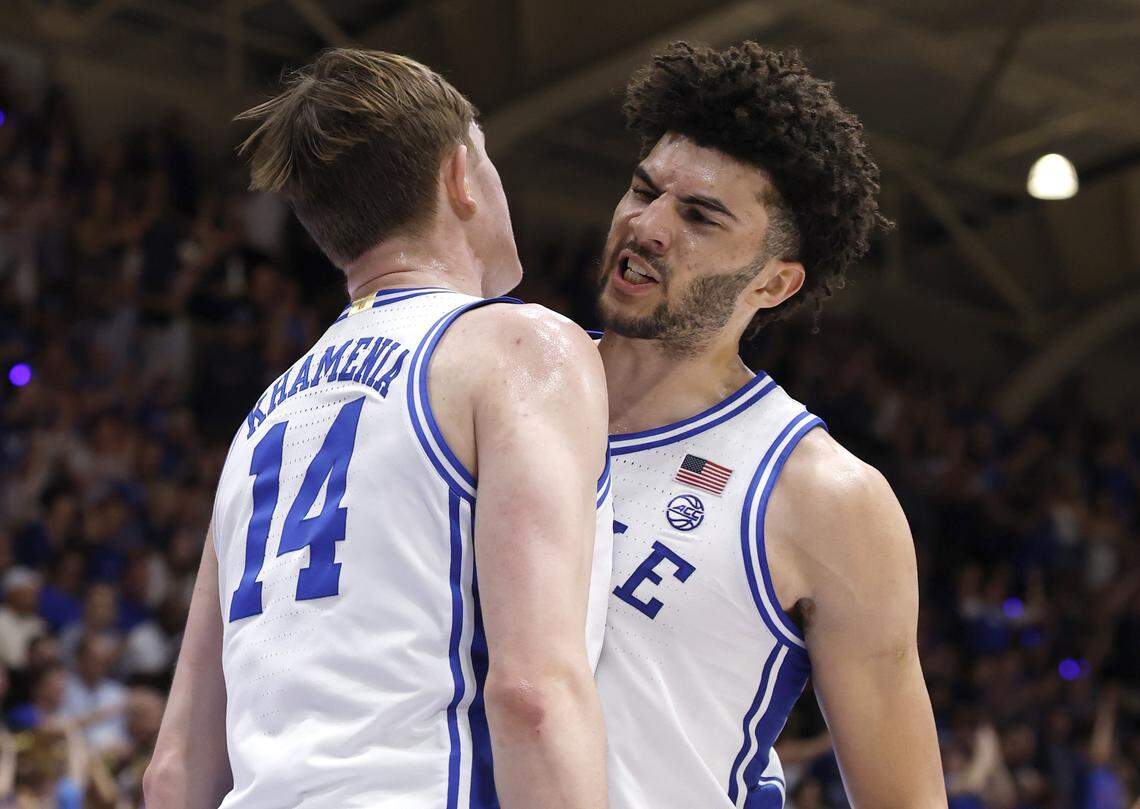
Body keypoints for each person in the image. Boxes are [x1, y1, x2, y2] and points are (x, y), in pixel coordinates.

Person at [144, 49, 612, 809]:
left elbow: (175, 768)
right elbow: (532, 692)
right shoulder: (516, 347)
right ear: (461, 175)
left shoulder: (266, 417)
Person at [594, 42, 946, 807]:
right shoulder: (500, 383)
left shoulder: (825, 497)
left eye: (698, 215)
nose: (648, 225)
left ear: (775, 282)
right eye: (642, 189)